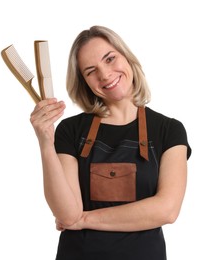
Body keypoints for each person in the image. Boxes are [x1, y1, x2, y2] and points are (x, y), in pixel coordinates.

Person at [30, 25, 191, 260]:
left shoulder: (169, 130)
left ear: (126, 57)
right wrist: (45, 142)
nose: (104, 75)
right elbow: (66, 214)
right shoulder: (70, 130)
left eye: (110, 58)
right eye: (91, 70)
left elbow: (167, 209)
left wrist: (83, 219)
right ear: (84, 82)